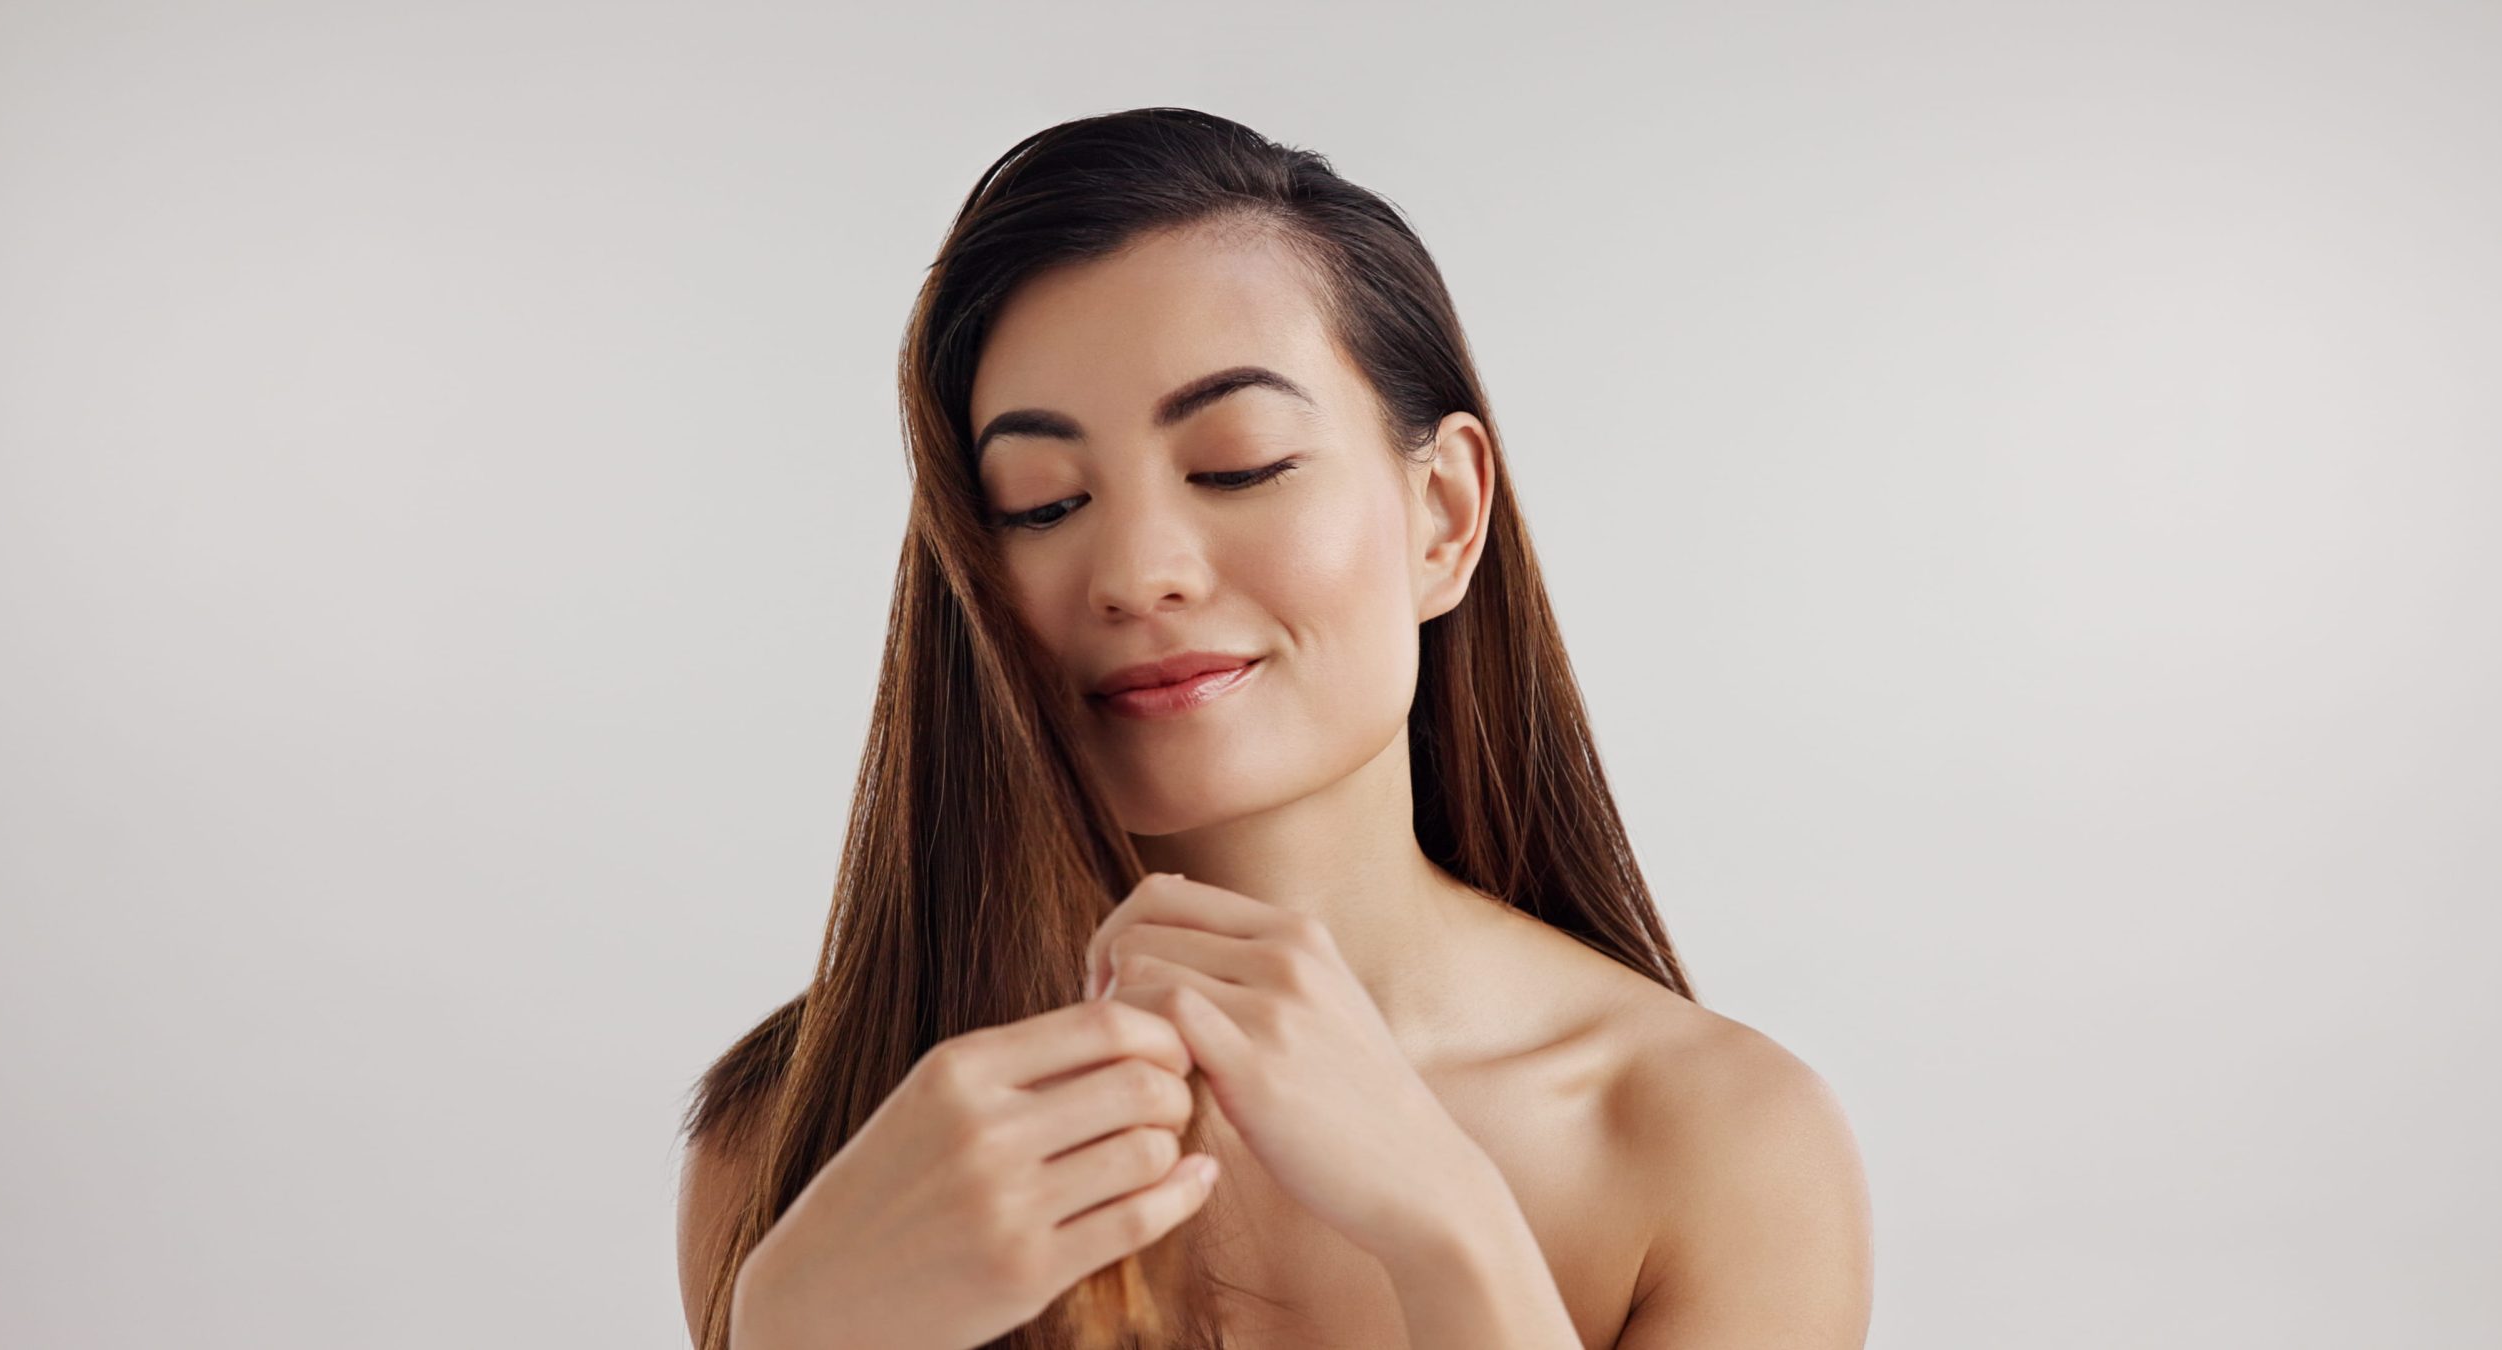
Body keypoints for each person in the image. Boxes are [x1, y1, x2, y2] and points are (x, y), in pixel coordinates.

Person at [675, 106, 1872, 1350]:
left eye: (1238, 465)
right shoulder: (814, 1138)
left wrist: (1446, 1221)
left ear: (1443, 517)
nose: (1137, 572)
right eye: (1042, 503)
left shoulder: (1718, 1144)